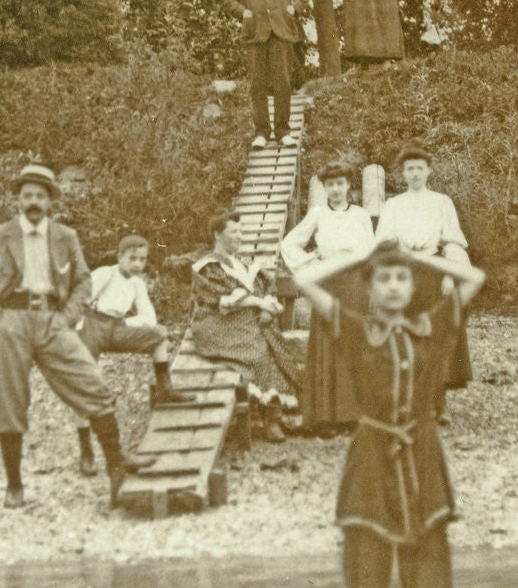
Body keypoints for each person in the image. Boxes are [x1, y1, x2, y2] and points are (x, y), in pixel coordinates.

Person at [294, 241, 485, 588]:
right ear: (369, 287)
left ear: (414, 286)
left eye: (402, 278)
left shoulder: (432, 327)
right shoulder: (355, 331)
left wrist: (417, 258)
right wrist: (362, 257)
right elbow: (304, 279)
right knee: (366, 571)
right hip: (371, 455)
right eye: (383, 279)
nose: (394, 286)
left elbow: (475, 277)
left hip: (423, 452)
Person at [0, 164, 143, 509]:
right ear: (18, 200)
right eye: (27, 195)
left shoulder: (64, 237)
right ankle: (14, 485)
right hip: (11, 321)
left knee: (93, 384)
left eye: (40, 196)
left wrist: (68, 317)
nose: (33, 201)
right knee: (10, 401)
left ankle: (116, 466)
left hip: (53, 320)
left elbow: (84, 282)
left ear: (50, 201)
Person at [71, 235, 193, 477]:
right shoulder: (105, 274)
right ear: (120, 257)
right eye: (132, 259)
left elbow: (149, 317)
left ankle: (164, 386)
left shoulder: (137, 283)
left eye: (142, 259)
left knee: (159, 334)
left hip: (116, 326)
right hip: (90, 325)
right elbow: (78, 300)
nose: (137, 264)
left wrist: (125, 324)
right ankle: (86, 451)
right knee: (86, 387)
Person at [280, 162, 375, 433]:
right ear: (325, 189)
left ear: (349, 187)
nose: (336, 189)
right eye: (330, 184)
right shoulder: (318, 213)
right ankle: (327, 415)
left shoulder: (361, 215)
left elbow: (370, 252)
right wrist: (311, 261)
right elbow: (289, 243)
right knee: (328, 344)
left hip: (355, 283)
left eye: (340, 183)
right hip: (329, 284)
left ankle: (355, 414)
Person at [189, 211, 299, 442]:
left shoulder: (243, 264)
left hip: (248, 320)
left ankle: (274, 416)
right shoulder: (206, 267)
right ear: (217, 235)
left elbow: (265, 286)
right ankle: (272, 419)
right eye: (234, 232)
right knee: (258, 351)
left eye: (241, 232)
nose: (240, 237)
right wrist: (259, 303)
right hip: (217, 324)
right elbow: (221, 300)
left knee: (274, 345)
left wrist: (265, 308)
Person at [375, 145, 473, 396]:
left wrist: (449, 275)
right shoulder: (394, 204)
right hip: (405, 274)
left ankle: (438, 399)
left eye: (420, 168)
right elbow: (384, 242)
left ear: (429, 171)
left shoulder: (441, 202)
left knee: (436, 333)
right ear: (403, 174)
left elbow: (453, 241)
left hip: (433, 273)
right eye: (410, 169)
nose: (415, 174)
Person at [225, 0, 309, 150]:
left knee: (283, 81)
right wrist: (243, 12)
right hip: (255, 32)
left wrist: (295, 8)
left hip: (281, 29)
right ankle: (261, 131)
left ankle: (283, 131)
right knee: (257, 84)